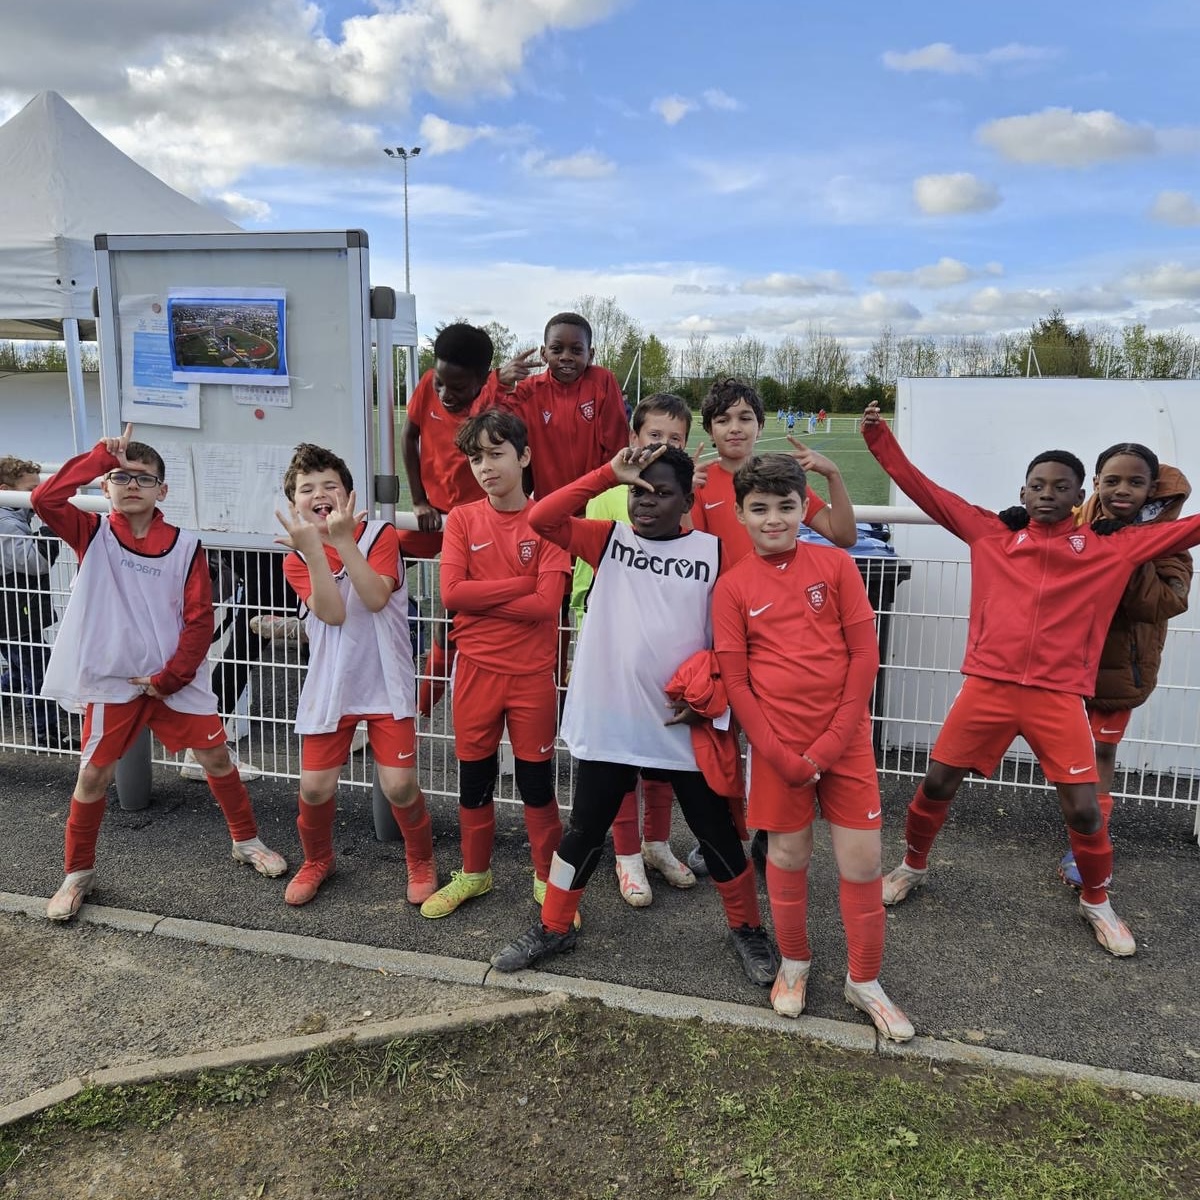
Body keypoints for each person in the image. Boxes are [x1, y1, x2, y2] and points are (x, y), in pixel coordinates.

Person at [860, 402, 1200, 957]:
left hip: (1058, 698)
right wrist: (878, 437)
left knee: (1084, 808)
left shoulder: (1113, 546)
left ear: (1079, 495)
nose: (1047, 494)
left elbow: (1191, 528)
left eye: (1061, 487)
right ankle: (911, 866)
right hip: (987, 689)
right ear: (1022, 491)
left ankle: (1097, 900)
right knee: (937, 784)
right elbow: (926, 491)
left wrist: (1138, 516)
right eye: (1037, 485)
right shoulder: (991, 532)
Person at [490, 443, 779, 986]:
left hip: (684, 724)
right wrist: (606, 474)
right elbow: (541, 517)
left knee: (716, 834)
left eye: (661, 492)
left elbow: (743, 634)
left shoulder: (716, 554)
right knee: (584, 831)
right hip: (614, 721)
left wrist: (712, 688)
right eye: (636, 491)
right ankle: (554, 926)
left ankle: (747, 928)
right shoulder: (610, 541)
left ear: (687, 500)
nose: (645, 502)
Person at [32, 424, 287, 922]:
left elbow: (199, 619)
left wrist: (170, 677)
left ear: (162, 490)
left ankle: (246, 841)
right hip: (113, 679)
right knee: (93, 776)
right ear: (104, 486)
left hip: (174, 679)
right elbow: (45, 499)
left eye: (144, 478)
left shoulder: (186, 545)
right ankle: (77, 874)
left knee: (217, 758)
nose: (131, 485)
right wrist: (98, 457)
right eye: (120, 476)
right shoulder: (93, 533)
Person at [713, 453, 913, 1039]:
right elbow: (737, 683)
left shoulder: (836, 565)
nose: (774, 519)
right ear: (740, 514)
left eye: (786, 506)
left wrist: (830, 744)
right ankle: (795, 963)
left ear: (804, 508)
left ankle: (864, 980)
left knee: (863, 863)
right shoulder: (732, 587)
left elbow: (864, 656)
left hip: (844, 744)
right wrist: (779, 754)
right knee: (787, 856)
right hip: (779, 751)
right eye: (760, 508)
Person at [687, 376, 858, 875]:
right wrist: (685, 493)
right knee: (726, 737)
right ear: (710, 429)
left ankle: (769, 832)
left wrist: (832, 476)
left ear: (760, 426)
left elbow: (843, 535)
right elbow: (689, 555)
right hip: (726, 627)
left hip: (782, 636)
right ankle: (725, 834)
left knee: (775, 733)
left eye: (745, 418)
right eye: (723, 419)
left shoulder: (779, 480)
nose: (734, 428)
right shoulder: (703, 483)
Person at [419, 408, 572, 919]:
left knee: (536, 784)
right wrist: (520, 585)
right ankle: (475, 873)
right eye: (475, 458)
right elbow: (451, 594)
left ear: (524, 456)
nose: (484, 467)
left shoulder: (548, 521)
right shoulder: (463, 519)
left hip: (530, 676)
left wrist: (481, 597)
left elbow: (547, 606)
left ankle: (547, 878)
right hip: (476, 673)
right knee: (474, 779)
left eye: (495, 454)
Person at [276, 443, 436, 907]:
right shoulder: (296, 557)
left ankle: (421, 859)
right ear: (294, 504)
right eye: (307, 489)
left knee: (399, 786)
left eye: (330, 485)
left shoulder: (380, 534)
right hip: (332, 685)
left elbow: (375, 598)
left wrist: (343, 542)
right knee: (314, 788)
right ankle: (317, 859)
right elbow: (332, 613)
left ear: (348, 495)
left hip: (387, 681)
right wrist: (315, 552)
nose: (319, 495)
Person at [568, 394, 698, 905]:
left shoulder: (684, 493)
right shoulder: (607, 496)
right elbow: (587, 578)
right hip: (613, 653)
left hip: (670, 656)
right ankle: (626, 857)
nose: (662, 445)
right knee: (619, 755)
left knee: (662, 755)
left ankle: (656, 844)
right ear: (633, 439)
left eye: (674, 438)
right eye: (654, 436)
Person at [1048, 444, 1192, 886]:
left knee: (1101, 752)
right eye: (1112, 481)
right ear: (1096, 483)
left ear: (1152, 488)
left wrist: (1130, 553)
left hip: (1121, 668)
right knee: (1067, 754)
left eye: (1135, 482)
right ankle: (1082, 829)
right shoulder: (1078, 521)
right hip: (1066, 661)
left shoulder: (1169, 539)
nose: (1122, 490)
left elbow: (1165, 602)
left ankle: (1089, 844)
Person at [399, 323, 500, 716]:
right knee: (379, 567)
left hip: (472, 522)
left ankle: (423, 705)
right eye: (441, 382)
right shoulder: (428, 384)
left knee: (451, 615)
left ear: (482, 381)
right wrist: (419, 500)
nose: (445, 393)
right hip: (431, 517)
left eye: (457, 387)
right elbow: (409, 436)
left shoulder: (492, 408)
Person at [0, 455, 68, 749]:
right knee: (39, 671)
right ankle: (47, 734)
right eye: (31, 490)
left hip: (15, 612)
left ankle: (44, 729)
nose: (36, 495)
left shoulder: (14, 516)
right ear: (5, 490)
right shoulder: (6, 523)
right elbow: (35, 562)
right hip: (14, 613)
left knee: (22, 671)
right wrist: (52, 527)